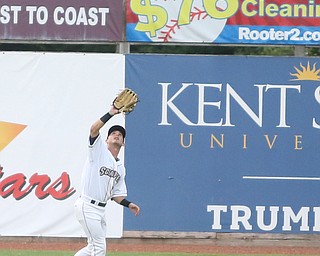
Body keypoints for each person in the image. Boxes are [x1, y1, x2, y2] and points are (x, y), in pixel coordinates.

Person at [74, 103, 140, 256]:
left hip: (100, 210)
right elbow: (93, 129)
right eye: (113, 133)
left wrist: (128, 204)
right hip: (87, 205)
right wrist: (111, 113)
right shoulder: (98, 151)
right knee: (99, 248)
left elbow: (116, 195)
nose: (117, 135)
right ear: (107, 139)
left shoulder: (120, 167)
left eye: (120, 134)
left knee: (92, 248)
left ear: (123, 142)